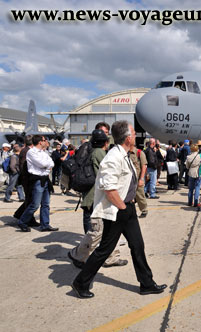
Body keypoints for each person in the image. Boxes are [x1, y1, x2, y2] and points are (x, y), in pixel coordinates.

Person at [71, 120, 166, 298]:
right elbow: (109, 188)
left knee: (137, 245)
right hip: (118, 210)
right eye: (133, 133)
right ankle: (80, 283)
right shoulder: (113, 158)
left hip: (126, 208)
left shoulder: (124, 154)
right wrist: (122, 207)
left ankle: (146, 283)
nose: (136, 136)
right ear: (127, 138)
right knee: (105, 249)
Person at [68, 129, 127, 269]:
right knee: (98, 231)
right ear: (106, 142)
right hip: (96, 198)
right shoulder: (100, 153)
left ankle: (111, 257)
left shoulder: (92, 151)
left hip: (95, 196)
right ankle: (78, 254)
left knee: (109, 231)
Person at [17, 135, 57, 232]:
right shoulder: (31, 152)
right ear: (40, 142)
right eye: (44, 140)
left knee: (46, 204)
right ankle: (22, 222)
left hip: (45, 180)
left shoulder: (44, 152)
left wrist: (46, 165)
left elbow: (52, 163)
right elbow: (43, 164)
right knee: (35, 204)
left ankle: (45, 225)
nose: (46, 142)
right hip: (37, 180)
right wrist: (46, 165)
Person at [129, 144, 148, 218]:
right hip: (129, 179)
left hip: (137, 179)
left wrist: (141, 179)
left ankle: (144, 210)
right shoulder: (126, 153)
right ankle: (132, 212)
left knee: (140, 195)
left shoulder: (139, 153)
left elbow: (144, 166)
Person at [185, 143, 201, 208]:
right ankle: (196, 202)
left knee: (191, 189)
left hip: (191, 173)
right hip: (198, 173)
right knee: (197, 188)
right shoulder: (200, 156)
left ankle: (190, 202)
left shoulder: (188, 157)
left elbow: (187, 166)